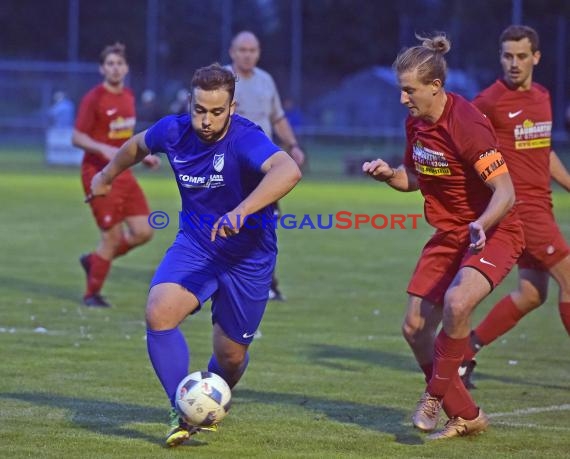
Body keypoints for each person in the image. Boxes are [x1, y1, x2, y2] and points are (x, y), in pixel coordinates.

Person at [89, 63, 302, 446]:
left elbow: (287, 171)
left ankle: (214, 393)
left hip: (249, 258)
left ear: (232, 108)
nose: (206, 120)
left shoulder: (245, 138)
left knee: (231, 357)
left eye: (217, 112)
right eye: (200, 110)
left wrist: (242, 211)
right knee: (159, 310)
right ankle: (181, 408)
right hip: (197, 245)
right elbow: (136, 145)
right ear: (190, 102)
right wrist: (105, 176)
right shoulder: (174, 130)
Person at [362, 33, 524, 440]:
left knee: (457, 301)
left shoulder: (466, 124)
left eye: (408, 90)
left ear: (435, 87)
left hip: (495, 230)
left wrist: (480, 225)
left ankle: (434, 395)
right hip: (450, 234)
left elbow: (505, 193)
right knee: (414, 328)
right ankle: (467, 414)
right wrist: (389, 176)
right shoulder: (415, 123)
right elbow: (415, 178)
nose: (403, 99)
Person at [459, 25, 570, 389]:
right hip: (522, 211)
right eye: (507, 56)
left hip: (544, 206)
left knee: (532, 293)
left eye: (522, 56)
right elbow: (462, 137)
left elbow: (545, 153)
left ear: (536, 57)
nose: (514, 63)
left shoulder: (542, 96)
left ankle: (464, 355)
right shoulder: (489, 101)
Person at [72, 43, 160, 307]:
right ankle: (92, 294)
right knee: (110, 237)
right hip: (98, 174)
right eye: (109, 63)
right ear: (102, 68)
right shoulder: (94, 98)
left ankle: (95, 260)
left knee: (144, 232)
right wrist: (104, 149)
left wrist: (143, 156)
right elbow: (77, 137)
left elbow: (126, 138)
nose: (115, 68)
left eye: (119, 63)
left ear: (126, 68)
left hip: (124, 173)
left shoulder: (129, 96)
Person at [228, 30, 306, 301]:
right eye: (242, 50)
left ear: (258, 52)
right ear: (232, 52)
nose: (247, 54)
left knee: (266, 224)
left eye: (252, 50)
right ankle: (229, 277)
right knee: (233, 221)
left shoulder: (265, 80)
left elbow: (277, 117)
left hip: (265, 166)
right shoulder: (224, 81)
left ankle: (266, 281)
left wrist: (293, 145)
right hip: (234, 165)